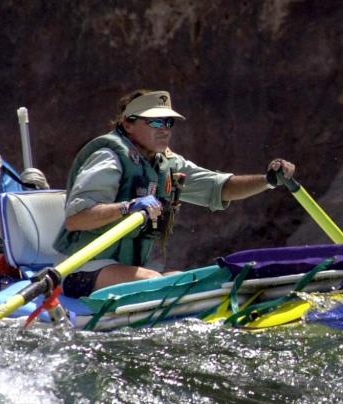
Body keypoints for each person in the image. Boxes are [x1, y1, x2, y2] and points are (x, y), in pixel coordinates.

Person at [53, 89, 295, 297]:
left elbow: (219, 188)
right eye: (155, 122)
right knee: (152, 278)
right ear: (128, 123)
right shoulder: (109, 158)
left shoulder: (166, 164)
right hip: (78, 270)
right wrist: (127, 208)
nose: (165, 130)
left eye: (169, 122)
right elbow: (77, 219)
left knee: (185, 279)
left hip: (123, 271)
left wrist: (269, 180)